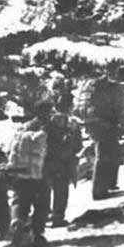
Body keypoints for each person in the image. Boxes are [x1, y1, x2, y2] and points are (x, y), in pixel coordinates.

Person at [76, 62, 124, 200]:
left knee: (112, 150)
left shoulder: (99, 83)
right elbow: (122, 113)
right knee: (104, 155)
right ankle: (99, 191)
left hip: (91, 121)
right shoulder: (116, 88)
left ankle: (110, 184)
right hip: (103, 123)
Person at [5, 104, 51, 247]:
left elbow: (10, 151)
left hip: (20, 174)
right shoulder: (47, 129)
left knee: (20, 203)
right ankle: (37, 236)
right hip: (39, 175)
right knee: (41, 206)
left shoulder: (22, 130)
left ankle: (17, 229)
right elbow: (50, 153)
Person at [42, 93, 82, 226]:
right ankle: (57, 218)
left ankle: (44, 217)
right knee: (61, 191)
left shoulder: (47, 122)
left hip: (46, 162)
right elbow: (76, 146)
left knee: (46, 191)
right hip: (61, 162)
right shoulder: (69, 123)